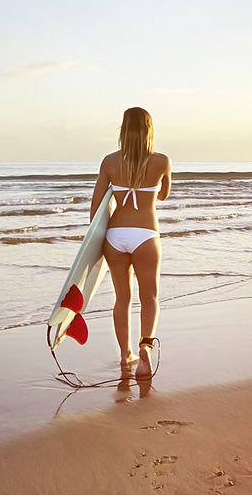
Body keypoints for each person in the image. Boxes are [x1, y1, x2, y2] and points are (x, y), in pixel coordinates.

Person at [89, 107, 171, 379]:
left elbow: (97, 206)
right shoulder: (162, 162)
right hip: (146, 235)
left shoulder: (109, 162)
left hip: (115, 236)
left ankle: (125, 353)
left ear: (122, 130)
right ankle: (145, 347)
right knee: (150, 298)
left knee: (122, 298)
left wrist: (94, 243)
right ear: (150, 131)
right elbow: (163, 197)